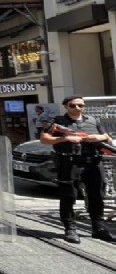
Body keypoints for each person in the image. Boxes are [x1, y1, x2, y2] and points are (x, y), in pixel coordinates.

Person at [40, 95, 113, 243]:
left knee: (97, 196)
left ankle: (98, 228)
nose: (77, 108)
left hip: (93, 162)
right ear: (66, 106)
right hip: (69, 162)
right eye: (73, 105)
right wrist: (65, 138)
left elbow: (108, 138)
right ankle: (70, 228)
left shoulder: (93, 121)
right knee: (68, 196)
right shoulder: (57, 122)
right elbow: (44, 139)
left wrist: (98, 138)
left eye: (81, 105)